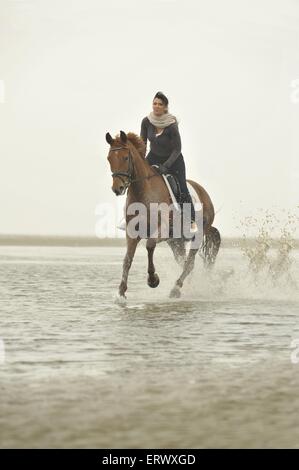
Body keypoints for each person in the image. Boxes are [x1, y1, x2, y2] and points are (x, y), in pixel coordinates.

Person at [140, 91, 197, 232]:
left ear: (165, 107)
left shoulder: (171, 125)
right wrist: (140, 160)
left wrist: (166, 166)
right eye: (154, 103)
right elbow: (143, 144)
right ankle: (131, 215)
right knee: (139, 179)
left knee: (182, 189)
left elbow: (178, 148)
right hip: (153, 156)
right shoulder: (146, 121)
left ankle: (191, 220)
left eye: (160, 104)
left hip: (174, 159)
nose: (156, 106)